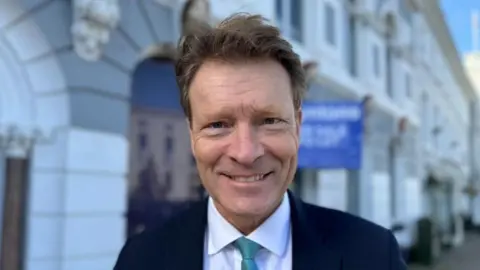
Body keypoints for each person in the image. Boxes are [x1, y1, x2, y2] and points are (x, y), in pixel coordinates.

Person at [113, 13, 407, 270]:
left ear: (298, 127)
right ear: (192, 136)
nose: (245, 152)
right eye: (218, 125)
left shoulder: (374, 256)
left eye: (269, 121)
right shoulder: (141, 259)